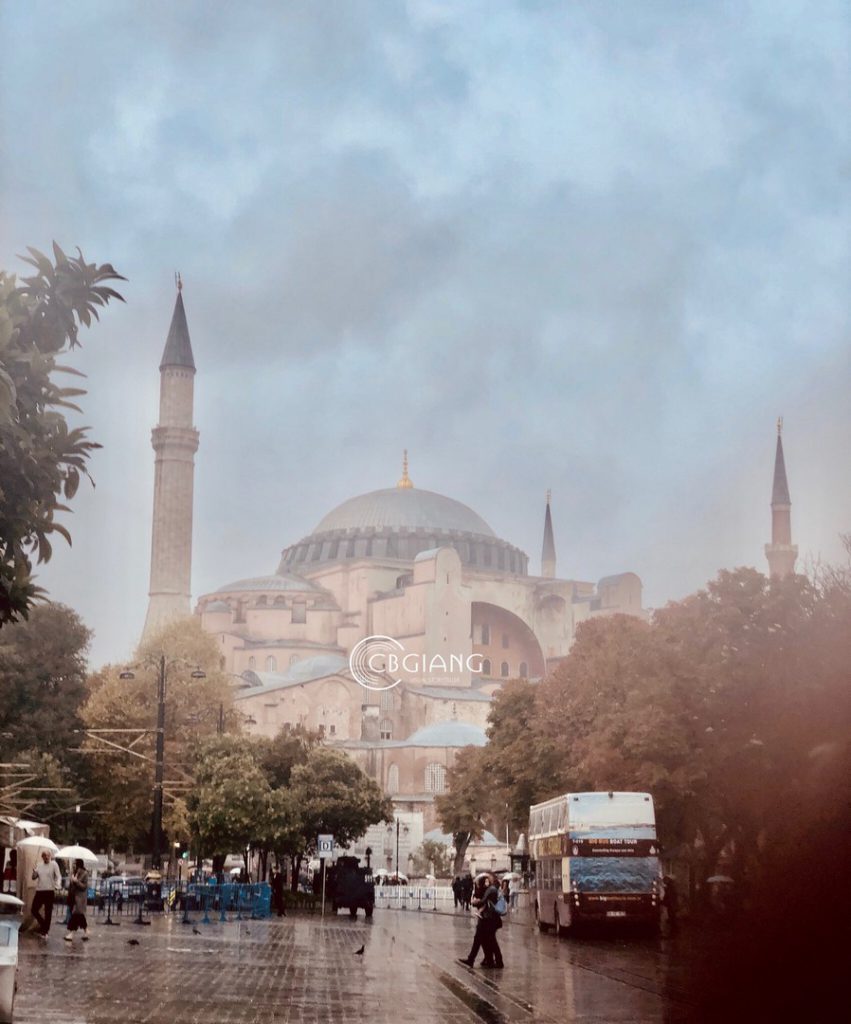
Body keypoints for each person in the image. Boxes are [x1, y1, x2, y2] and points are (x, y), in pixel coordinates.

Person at [458, 874, 504, 969]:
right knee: (484, 940)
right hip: (488, 919)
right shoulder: (491, 889)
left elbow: (483, 901)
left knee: (487, 940)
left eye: (487, 881)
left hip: (489, 919)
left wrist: (476, 902)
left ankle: (494, 961)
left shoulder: (491, 890)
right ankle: (490, 960)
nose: (486, 883)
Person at [31, 850, 62, 938]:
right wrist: (34, 873)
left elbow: (58, 876)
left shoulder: (54, 864)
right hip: (40, 890)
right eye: (44, 855)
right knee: (34, 909)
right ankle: (44, 925)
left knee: (48, 912)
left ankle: (45, 931)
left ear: (50, 856)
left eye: (48, 855)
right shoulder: (39, 865)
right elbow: (33, 877)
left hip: (49, 891)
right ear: (42, 857)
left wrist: (57, 885)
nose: (47, 857)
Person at [64, 859, 89, 941]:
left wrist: (76, 881)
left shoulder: (84, 873)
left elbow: (84, 887)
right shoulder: (74, 873)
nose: (73, 865)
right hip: (73, 897)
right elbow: (71, 886)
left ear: (79, 864)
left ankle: (71, 933)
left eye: (75, 863)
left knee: (75, 916)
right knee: (80, 916)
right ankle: (86, 931)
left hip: (79, 898)